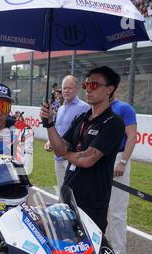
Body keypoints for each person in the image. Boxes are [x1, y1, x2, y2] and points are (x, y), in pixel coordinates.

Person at [40, 66, 125, 232]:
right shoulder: (82, 118)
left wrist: (64, 152)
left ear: (109, 89)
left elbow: (87, 160)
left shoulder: (113, 122)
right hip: (69, 195)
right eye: (87, 85)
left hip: (92, 203)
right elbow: (59, 148)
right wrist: (49, 122)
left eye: (94, 85)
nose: (88, 89)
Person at [44, 76, 90, 195]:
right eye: (64, 88)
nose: (66, 91)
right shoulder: (60, 109)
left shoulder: (85, 107)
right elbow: (57, 131)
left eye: (69, 88)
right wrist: (50, 142)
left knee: (74, 194)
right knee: (62, 192)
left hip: (72, 159)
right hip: (58, 159)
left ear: (77, 89)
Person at [105, 97, 137, 254]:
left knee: (117, 208)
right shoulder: (98, 107)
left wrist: (123, 161)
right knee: (102, 205)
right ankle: (105, 244)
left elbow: (132, 136)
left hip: (118, 158)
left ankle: (118, 249)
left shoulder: (124, 108)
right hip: (101, 158)